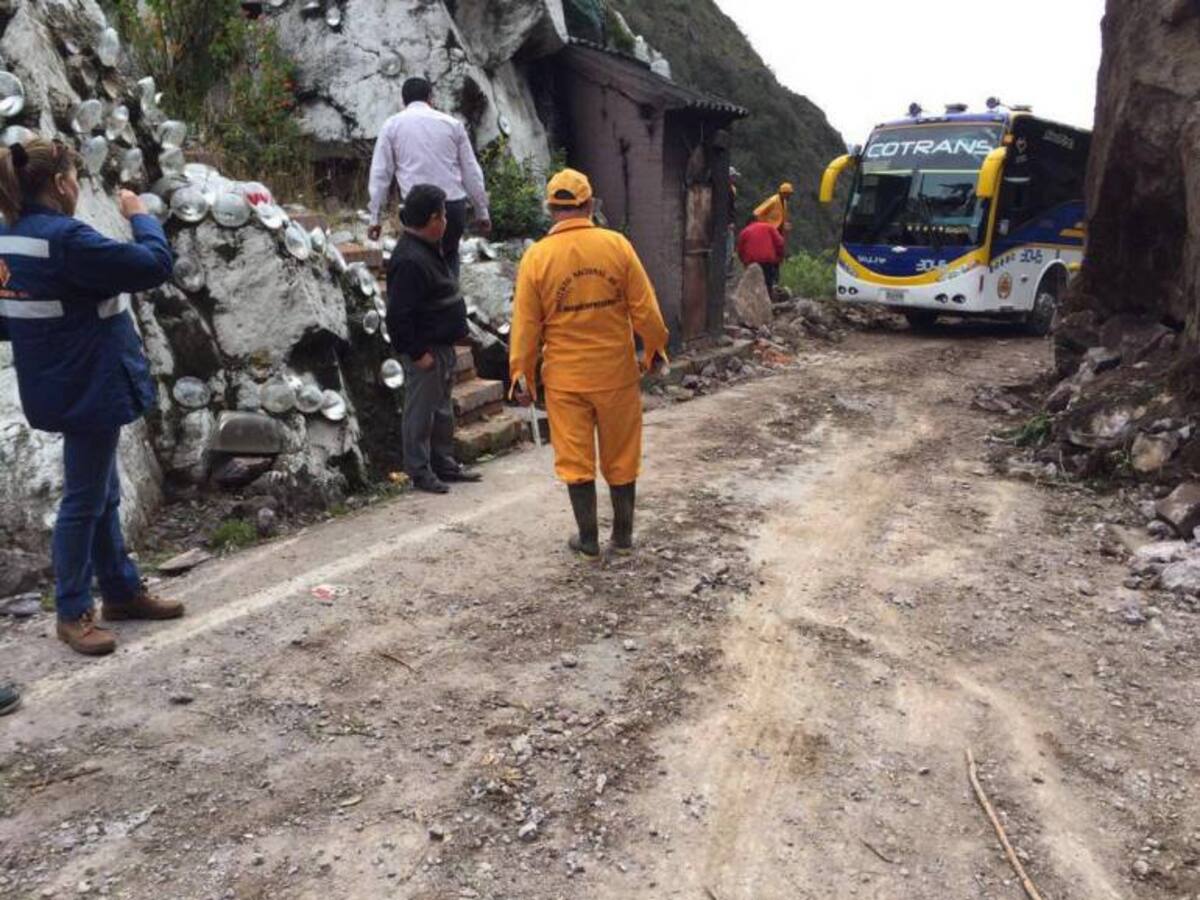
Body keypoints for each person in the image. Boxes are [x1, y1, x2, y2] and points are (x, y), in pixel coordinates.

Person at [0, 137, 183, 657]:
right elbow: (153, 265)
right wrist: (139, 214)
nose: (77, 186)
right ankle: (73, 610)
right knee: (83, 501)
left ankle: (120, 590)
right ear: (61, 183)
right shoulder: (67, 239)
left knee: (102, 493)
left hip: (54, 379)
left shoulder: (8, 237)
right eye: (75, 178)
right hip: (91, 381)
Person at [509, 169, 669, 561]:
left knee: (575, 458)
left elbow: (526, 327)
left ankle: (588, 540)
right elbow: (645, 309)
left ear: (551, 209)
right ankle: (623, 538)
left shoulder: (536, 258)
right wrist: (654, 350)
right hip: (616, 374)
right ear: (589, 205)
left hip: (566, 380)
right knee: (622, 454)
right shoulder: (616, 246)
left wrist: (521, 377)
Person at [386, 183, 480, 494]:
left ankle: (443, 463)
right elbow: (398, 316)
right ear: (432, 220)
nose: (447, 222)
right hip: (426, 351)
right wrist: (417, 353)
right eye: (443, 216)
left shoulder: (427, 249)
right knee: (421, 413)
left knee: (441, 411)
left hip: (442, 347)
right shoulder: (409, 259)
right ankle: (419, 470)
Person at [367, 77, 491, 277]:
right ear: (430, 98)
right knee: (449, 255)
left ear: (403, 100)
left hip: (418, 208)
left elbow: (381, 174)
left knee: (419, 261)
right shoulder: (452, 124)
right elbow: (471, 171)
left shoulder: (391, 126)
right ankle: (450, 294)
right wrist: (481, 211)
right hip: (452, 206)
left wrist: (375, 217)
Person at [737, 217, 786, 293]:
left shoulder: (744, 232)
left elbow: (740, 250)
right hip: (767, 260)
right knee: (767, 283)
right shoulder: (769, 227)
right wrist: (779, 257)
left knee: (753, 284)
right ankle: (769, 297)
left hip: (752, 262)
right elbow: (780, 243)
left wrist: (744, 263)